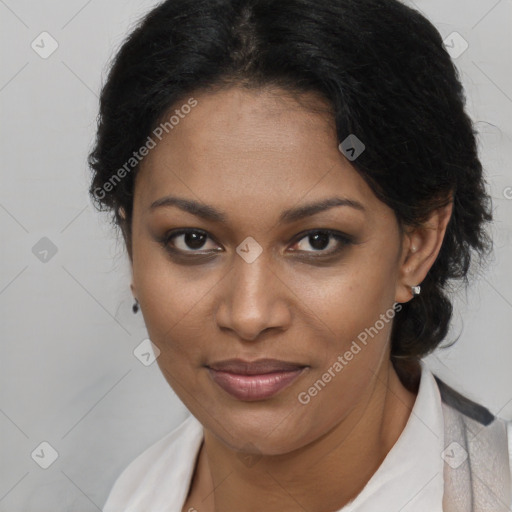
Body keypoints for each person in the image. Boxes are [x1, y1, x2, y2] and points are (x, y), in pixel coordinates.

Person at [88, 0, 512, 510]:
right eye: (193, 240)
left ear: (416, 245)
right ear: (131, 241)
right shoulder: (137, 493)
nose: (249, 315)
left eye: (317, 241)